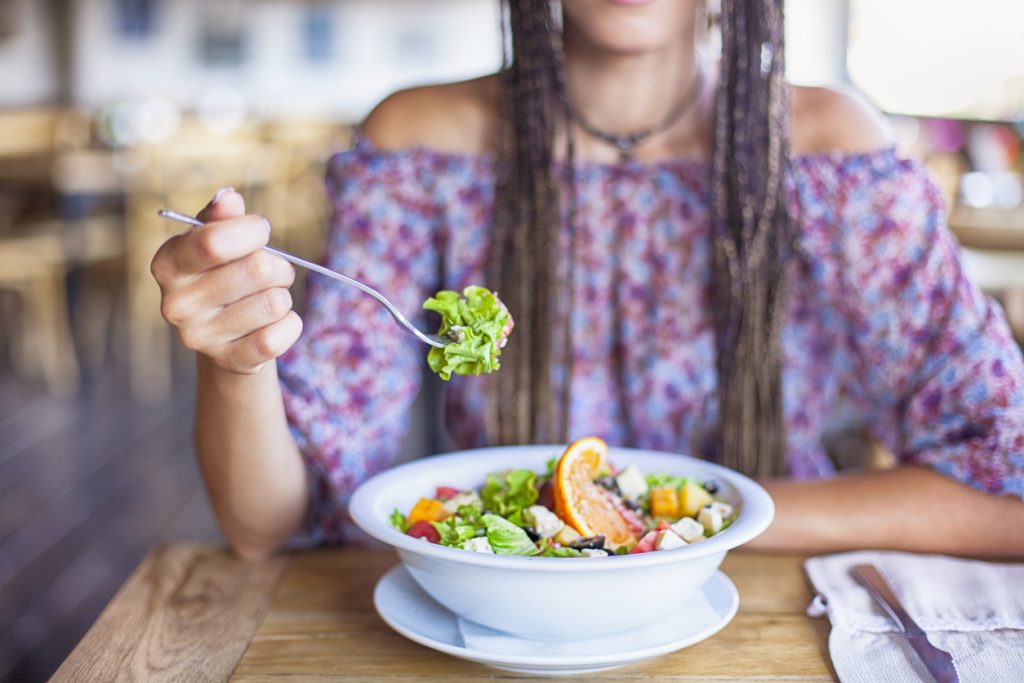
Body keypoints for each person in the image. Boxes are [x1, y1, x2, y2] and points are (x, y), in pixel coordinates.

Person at [150, 0, 1024, 561]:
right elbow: (268, 522)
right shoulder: (421, 143)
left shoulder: (831, 151)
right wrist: (239, 360)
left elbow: (1006, 488)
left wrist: (678, 529)